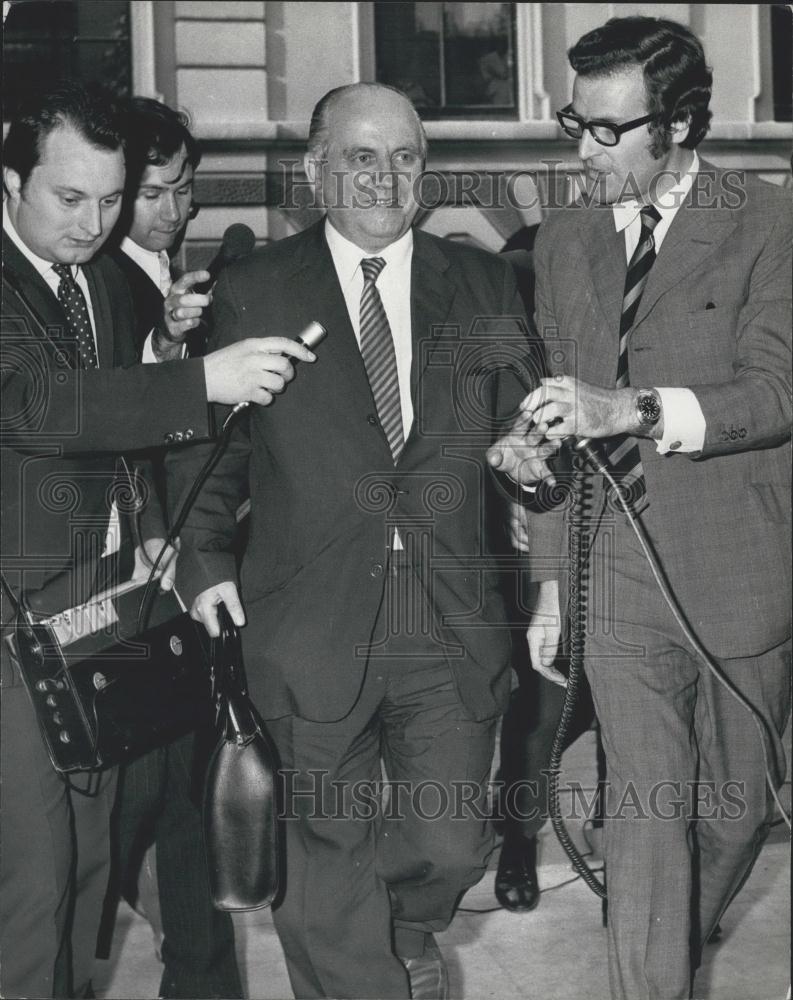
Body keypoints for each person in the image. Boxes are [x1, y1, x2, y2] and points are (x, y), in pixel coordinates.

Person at [167, 82, 539, 1000]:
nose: (386, 177)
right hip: (307, 617)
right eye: (361, 157)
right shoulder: (252, 290)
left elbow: (523, 432)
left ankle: (399, 928)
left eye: (405, 157)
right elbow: (210, 453)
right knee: (323, 854)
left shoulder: (483, 282)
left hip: (448, 618)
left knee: (451, 838)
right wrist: (205, 561)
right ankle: (360, 971)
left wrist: (530, 461)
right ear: (315, 171)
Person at [489, 16, 792, 999]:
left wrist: (632, 408)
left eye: (608, 130)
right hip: (610, 560)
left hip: (738, 560)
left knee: (736, 806)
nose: (583, 148)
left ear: (681, 125)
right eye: (577, 121)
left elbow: (776, 393)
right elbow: (560, 418)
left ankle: (658, 945)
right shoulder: (563, 242)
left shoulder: (767, 225)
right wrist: (545, 579)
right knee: (648, 814)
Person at [0, 80, 314, 999]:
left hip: (97, 607)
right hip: (13, 616)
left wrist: (150, 535)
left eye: (109, 199)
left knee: (91, 871)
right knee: (35, 884)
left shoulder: (97, 278)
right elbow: (28, 406)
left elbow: (120, 435)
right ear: (10, 179)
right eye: (68, 198)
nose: (93, 223)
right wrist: (199, 383)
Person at [97, 96, 243, 999]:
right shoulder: (104, 285)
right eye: (154, 193)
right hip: (128, 595)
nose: (174, 210)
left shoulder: (156, 273)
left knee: (188, 813)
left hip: (177, 589)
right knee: (131, 816)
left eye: (184, 189)